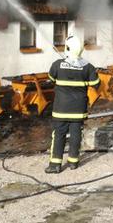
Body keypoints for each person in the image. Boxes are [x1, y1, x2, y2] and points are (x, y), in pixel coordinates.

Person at [45, 35, 100, 174]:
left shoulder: (57, 64)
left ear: (67, 48)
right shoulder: (88, 67)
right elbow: (96, 84)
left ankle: (55, 165)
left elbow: (50, 79)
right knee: (76, 135)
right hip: (78, 109)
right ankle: (73, 162)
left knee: (58, 135)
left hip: (60, 109)